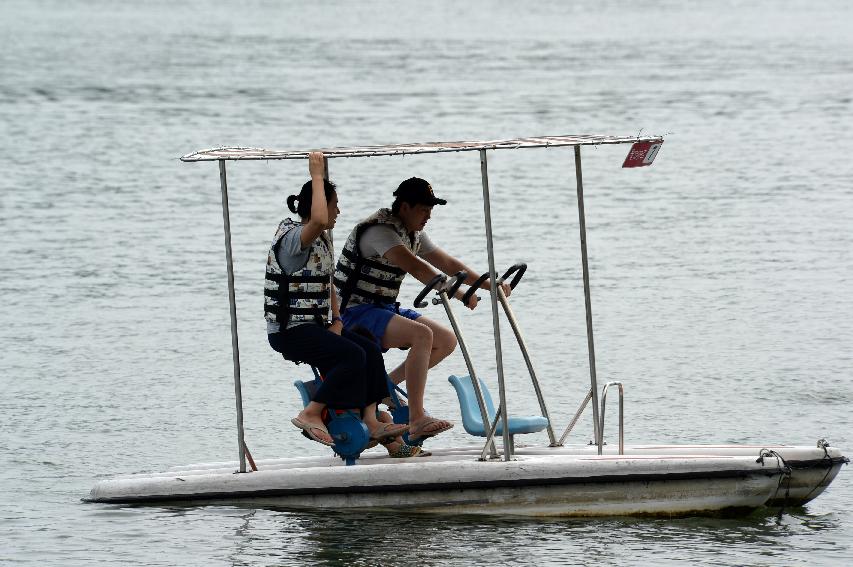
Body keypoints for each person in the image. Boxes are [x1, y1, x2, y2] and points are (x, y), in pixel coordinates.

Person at [333, 177, 511, 442]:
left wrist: (489, 286)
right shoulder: (379, 232)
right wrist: (459, 292)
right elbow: (416, 267)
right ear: (405, 207)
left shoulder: (413, 233)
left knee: (446, 340)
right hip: (354, 313)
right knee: (421, 335)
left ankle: (385, 387)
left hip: (383, 308)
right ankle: (417, 418)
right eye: (423, 210)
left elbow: (448, 263)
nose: (428, 216)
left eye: (431, 210)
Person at [265, 152, 408, 448]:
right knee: (351, 356)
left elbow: (327, 282)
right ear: (319, 205)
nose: (338, 212)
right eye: (335, 205)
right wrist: (318, 175)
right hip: (289, 331)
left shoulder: (321, 241)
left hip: (315, 327)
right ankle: (311, 412)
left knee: (367, 347)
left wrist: (338, 320)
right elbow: (318, 218)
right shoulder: (295, 239)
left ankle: (371, 420)